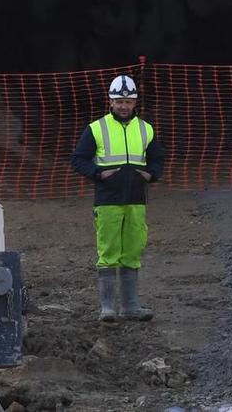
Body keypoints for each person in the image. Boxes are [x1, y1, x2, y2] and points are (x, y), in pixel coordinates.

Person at [70, 73, 166, 322]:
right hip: (108, 200)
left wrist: (151, 175)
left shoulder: (146, 129)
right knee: (108, 251)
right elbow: (78, 159)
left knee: (133, 250)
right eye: (119, 101)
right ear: (111, 102)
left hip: (136, 199)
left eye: (129, 101)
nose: (124, 106)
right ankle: (108, 308)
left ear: (135, 102)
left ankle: (130, 307)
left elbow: (157, 158)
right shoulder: (96, 129)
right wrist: (98, 174)